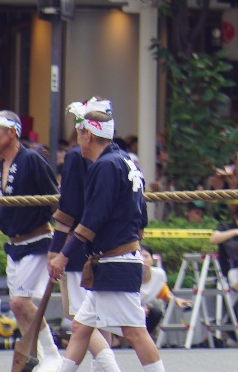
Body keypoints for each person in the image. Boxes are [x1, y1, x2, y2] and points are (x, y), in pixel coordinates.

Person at [47, 100, 162, 372]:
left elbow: (92, 219)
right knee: (81, 327)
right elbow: (141, 215)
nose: (77, 141)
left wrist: (63, 255)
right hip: (119, 256)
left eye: (79, 134)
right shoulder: (126, 162)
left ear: (88, 134)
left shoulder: (105, 165)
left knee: (134, 332)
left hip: (116, 260)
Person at [0, 108, 70, 372]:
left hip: (38, 240)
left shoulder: (32, 159)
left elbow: (54, 200)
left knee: (20, 303)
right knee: (19, 308)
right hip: (14, 244)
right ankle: (37, 357)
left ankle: (52, 354)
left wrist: (63, 245)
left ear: (12, 133)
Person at [53, 99, 123, 371]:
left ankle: (108, 367)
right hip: (105, 245)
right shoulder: (120, 158)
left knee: (82, 317)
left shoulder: (79, 157)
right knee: (94, 317)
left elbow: (69, 207)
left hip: (81, 244)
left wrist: (58, 249)